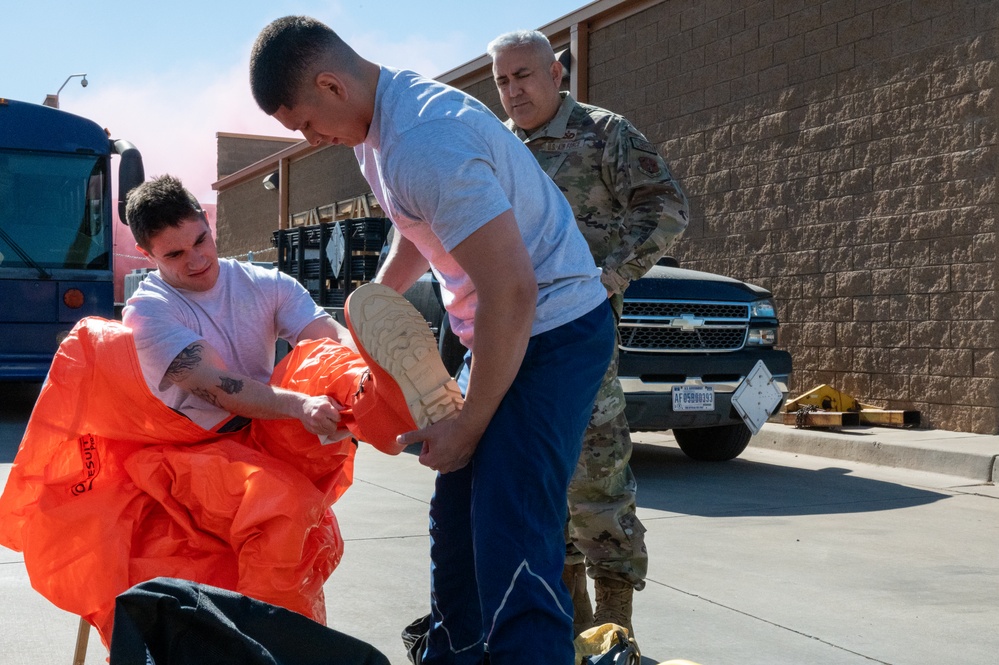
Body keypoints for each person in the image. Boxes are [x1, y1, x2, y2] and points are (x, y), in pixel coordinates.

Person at [250, 16, 616, 665]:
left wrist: (470, 423)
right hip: (503, 333)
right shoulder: (374, 130)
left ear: (330, 85)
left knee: (510, 532)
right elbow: (413, 221)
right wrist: (374, 304)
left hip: (552, 331)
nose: (311, 139)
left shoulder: (424, 140)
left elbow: (514, 293)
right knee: (454, 526)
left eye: (304, 124)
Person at [487, 30, 690, 637]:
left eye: (523, 75)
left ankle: (615, 621)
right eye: (502, 80)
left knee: (597, 471)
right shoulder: (500, 146)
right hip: (516, 331)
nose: (513, 90)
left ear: (555, 72)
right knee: (541, 473)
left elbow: (666, 207)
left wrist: (611, 275)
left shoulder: (605, 134)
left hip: (582, 332)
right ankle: (570, 618)